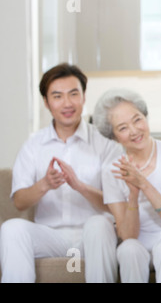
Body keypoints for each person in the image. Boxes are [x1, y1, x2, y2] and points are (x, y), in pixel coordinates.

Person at [0, 63, 121, 283]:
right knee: (11, 228)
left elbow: (116, 205)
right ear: (46, 102)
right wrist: (44, 184)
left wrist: (80, 186)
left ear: (84, 97)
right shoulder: (33, 145)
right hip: (51, 236)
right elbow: (19, 201)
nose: (67, 103)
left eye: (73, 94)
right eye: (57, 96)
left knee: (100, 224)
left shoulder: (106, 144)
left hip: (92, 235)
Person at [92, 89, 161, 283]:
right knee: (127, 249)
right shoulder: (111, 169)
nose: (134, 131)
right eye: (122, 128)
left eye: (137, 119)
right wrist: (133, 194)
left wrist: (143, 183)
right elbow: (128, 235)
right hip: (139, 243)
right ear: (113, 137)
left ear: (145, 117)